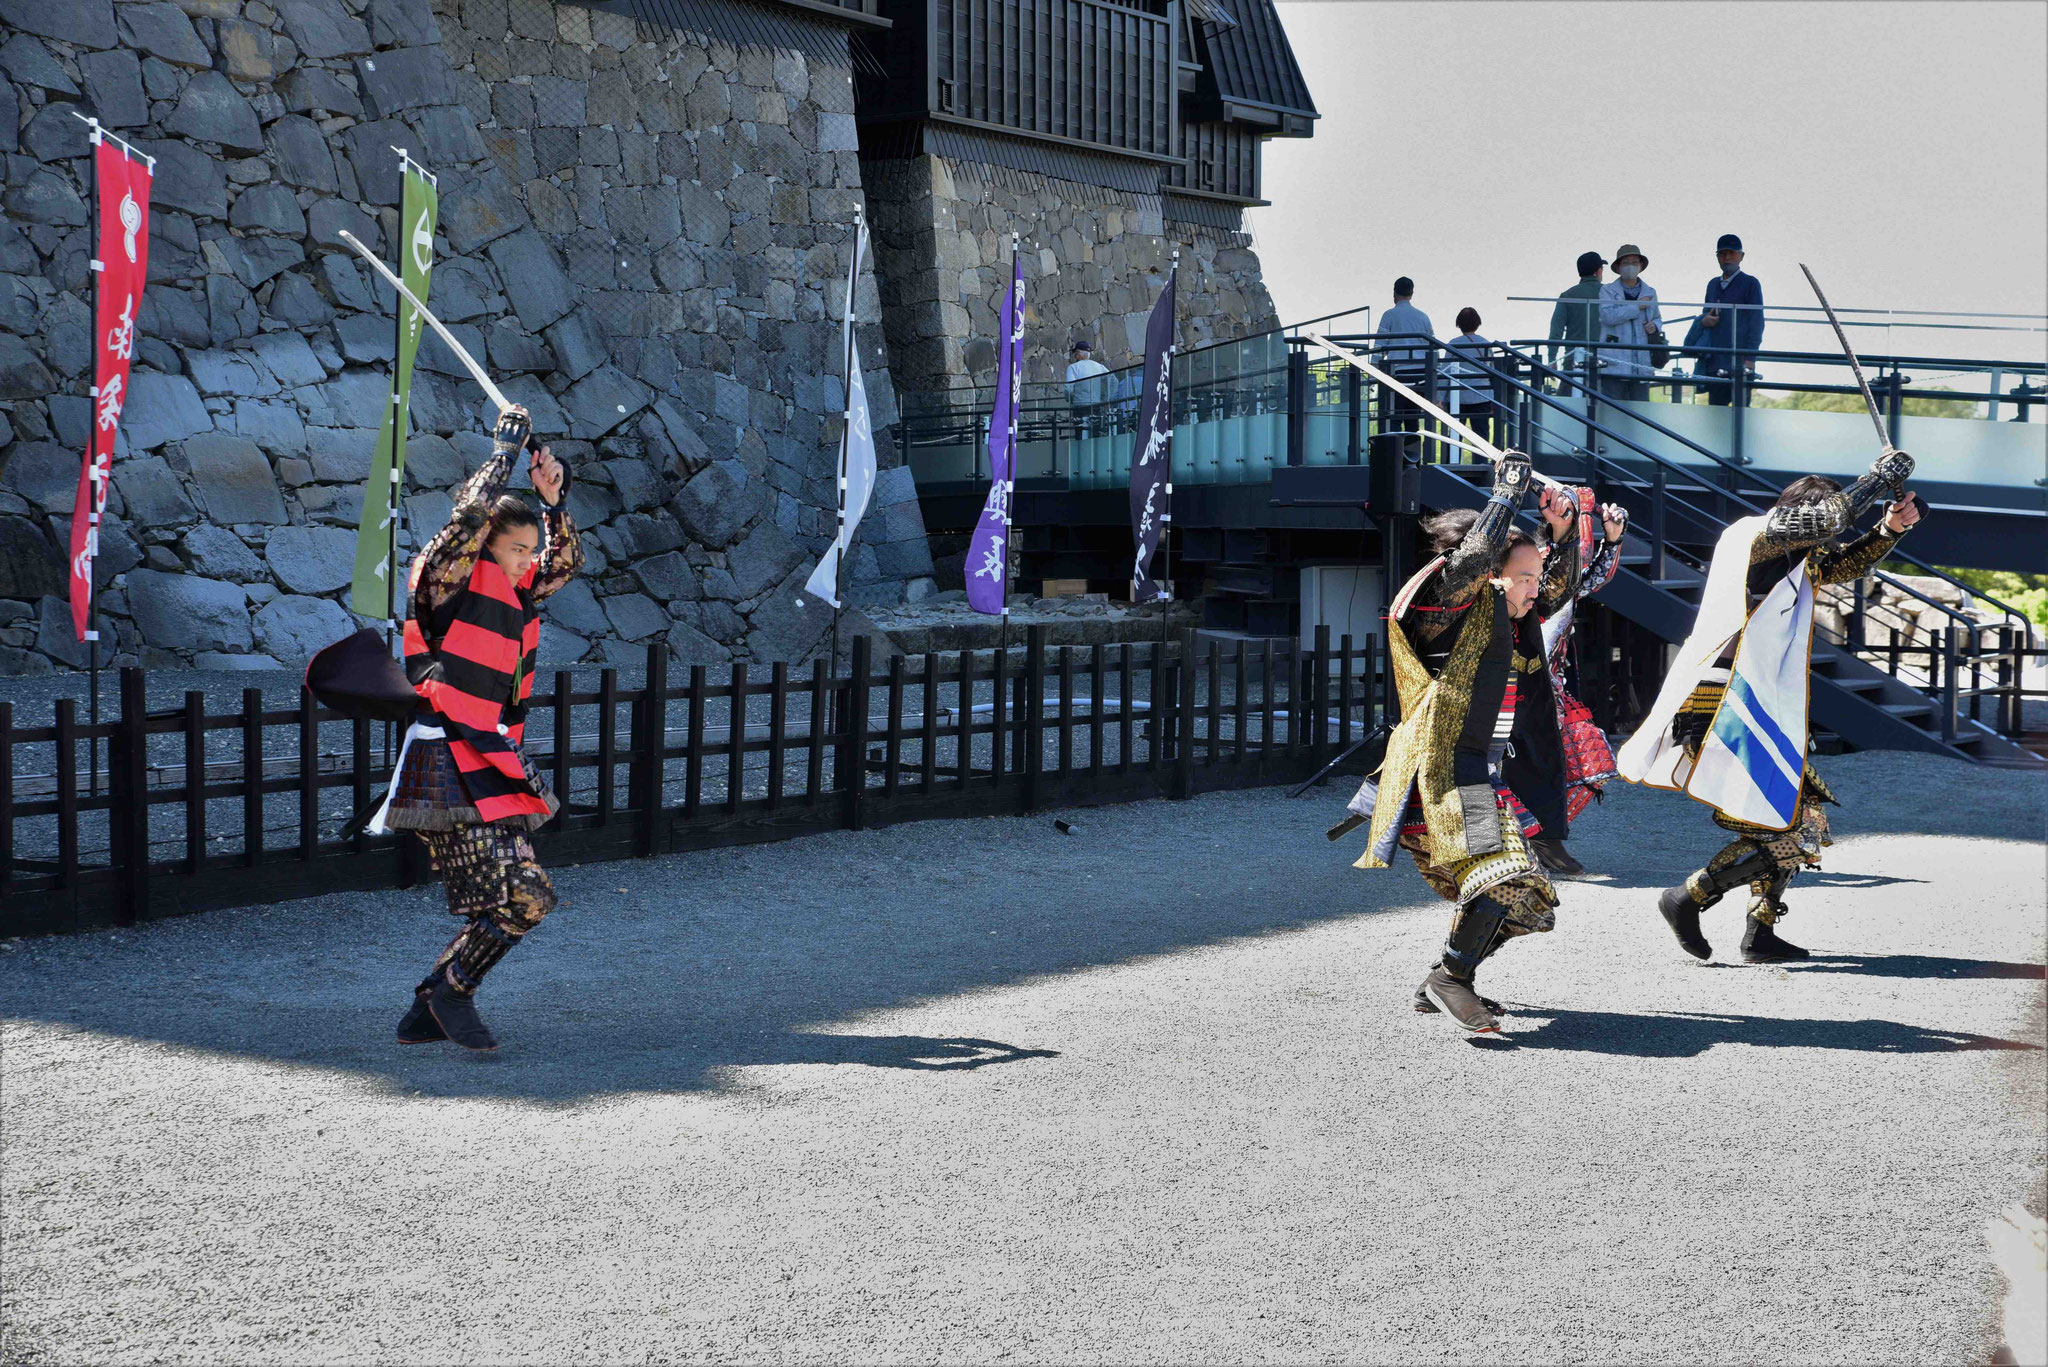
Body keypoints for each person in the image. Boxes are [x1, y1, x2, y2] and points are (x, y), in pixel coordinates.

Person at [1618, 450, 1922, 963]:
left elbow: (1844, 561)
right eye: (1822, 521)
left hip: (1753, 698)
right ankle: (1688, 897)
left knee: (1791, 813)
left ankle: (1757, 929)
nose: (1828, 535)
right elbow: (1831, 520)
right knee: (1792, 823)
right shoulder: (1758, 537)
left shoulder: (1796, 554)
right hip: (1726, 699)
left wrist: (1890, 527)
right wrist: (1874, 480)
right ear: (1801, 514)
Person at [1340, 455, 1582, 1035]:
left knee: (1527, 901)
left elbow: (1557, 586)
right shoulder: (1450, 602)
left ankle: (1443, 976)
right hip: (1443, 775)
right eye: (1521, 577)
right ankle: (1453, 981)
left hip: (1475, 777)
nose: (1534, 590)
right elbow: (1471, 563)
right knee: (1509, 879)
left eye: (1531, 578)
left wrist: (1564, 532)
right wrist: (1506, 495)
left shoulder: (1507, 611)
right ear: (1489, 576)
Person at [374, 405, 584, 1051]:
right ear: (487, 544)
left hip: (489, 753)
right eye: (516, 549)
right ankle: (449, 992)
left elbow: (563, 562)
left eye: (528, 551)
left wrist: (553, 501)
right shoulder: (446, 581)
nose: (529, 562)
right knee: (527, 893)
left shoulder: (517, 593)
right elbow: (464, 522)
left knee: (526, 898)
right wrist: (501, 454)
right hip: (445, 759)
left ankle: (432, 1003)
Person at [1528, 491, 1630, 877]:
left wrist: (1614, 539)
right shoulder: (1533, 557)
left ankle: (1543, 838)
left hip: (1549, 684)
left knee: (1570, 760)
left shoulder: (1565, 570)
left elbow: (1589, 580)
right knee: (1535, 764)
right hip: (1518, 681)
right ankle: (1535, 841)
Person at [1695, 233, 1765, 407]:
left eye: (1732, 253)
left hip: (1740, 362)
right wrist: (1705, 320)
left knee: (1741, 417)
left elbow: (1757, 322)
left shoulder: (1751, 283)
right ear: (1717, 257)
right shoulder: (1712, 284)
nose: (1727, 258)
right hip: (1715, 362)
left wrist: (1750, 358)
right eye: (1722, 254)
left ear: (1741, 256)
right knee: (1716, 415)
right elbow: (1705, 314)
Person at [1374, 277, 1436, 459]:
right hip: (1421, 375)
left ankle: (1394, 458)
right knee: (1412, 419)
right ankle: (1413, 458)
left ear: (1394, 293)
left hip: (1398, 373)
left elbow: (1379, 346)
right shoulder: (1423, 317)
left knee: (1395, 418)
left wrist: (1372, 372)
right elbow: (1432, 347)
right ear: (1412, 293)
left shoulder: (1389, 315)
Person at [1596, 244, 1663, 402]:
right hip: (1614, 363)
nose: (1630, 266)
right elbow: (1608, 316)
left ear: (1640, 266)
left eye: (1634, 262)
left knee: (1640, 412)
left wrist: (1655, 326)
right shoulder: (1607, 290)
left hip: (1642, 363)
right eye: (1626, 263)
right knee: (1611, 409)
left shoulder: (1650, 292)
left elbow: (1658, 318)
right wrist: (1636, 307)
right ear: (1618, 267)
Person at [1546, 250, 1606, 376]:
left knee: (1567, 394)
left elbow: (1556, 330)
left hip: (1573, 360)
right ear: (1598, 271)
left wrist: (1552, 359)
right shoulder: (1610, 294)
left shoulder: (1567, 296)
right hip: (1605, 361)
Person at [1444, 307, 1498, 445]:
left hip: (1458, 397)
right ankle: (1481, 464)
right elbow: (1491, 370)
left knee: (1455, 436)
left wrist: (1439, 398)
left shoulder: (1453, 344)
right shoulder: (1485, 344)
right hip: (1481, 395)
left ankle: (1452, 464)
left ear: (1459, 324)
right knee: (1481, 435)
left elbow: (1445, 372)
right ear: (1477, 323)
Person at [1065, 339, 1110, 433]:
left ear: (1078, 352)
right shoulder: (1100, 367)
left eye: (1075, 353)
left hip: (1080, 405)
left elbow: (1068, 388)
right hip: (1097, 404)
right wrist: (1105, 398)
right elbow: (1114, 381)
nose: (1074, 356)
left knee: (1080, 433)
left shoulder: (1073, 367)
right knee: (1096, 432)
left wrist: (1071, 399)